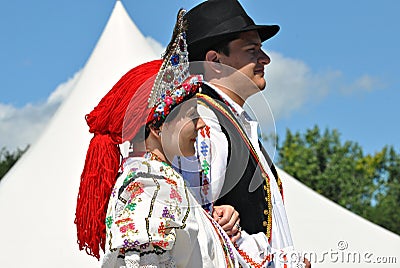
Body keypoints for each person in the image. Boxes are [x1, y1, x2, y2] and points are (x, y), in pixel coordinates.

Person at [74, 9, 286, 267]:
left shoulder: (167, 187)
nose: (200, 126)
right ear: (157, 128)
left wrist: (217, 219)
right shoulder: (148, 191)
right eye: (191, 114)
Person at [173, 0, 311, 267]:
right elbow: (196, 221)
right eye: (252, 50)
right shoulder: (205, 123)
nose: (265, 59)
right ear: (215, 61)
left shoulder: (232, 122)